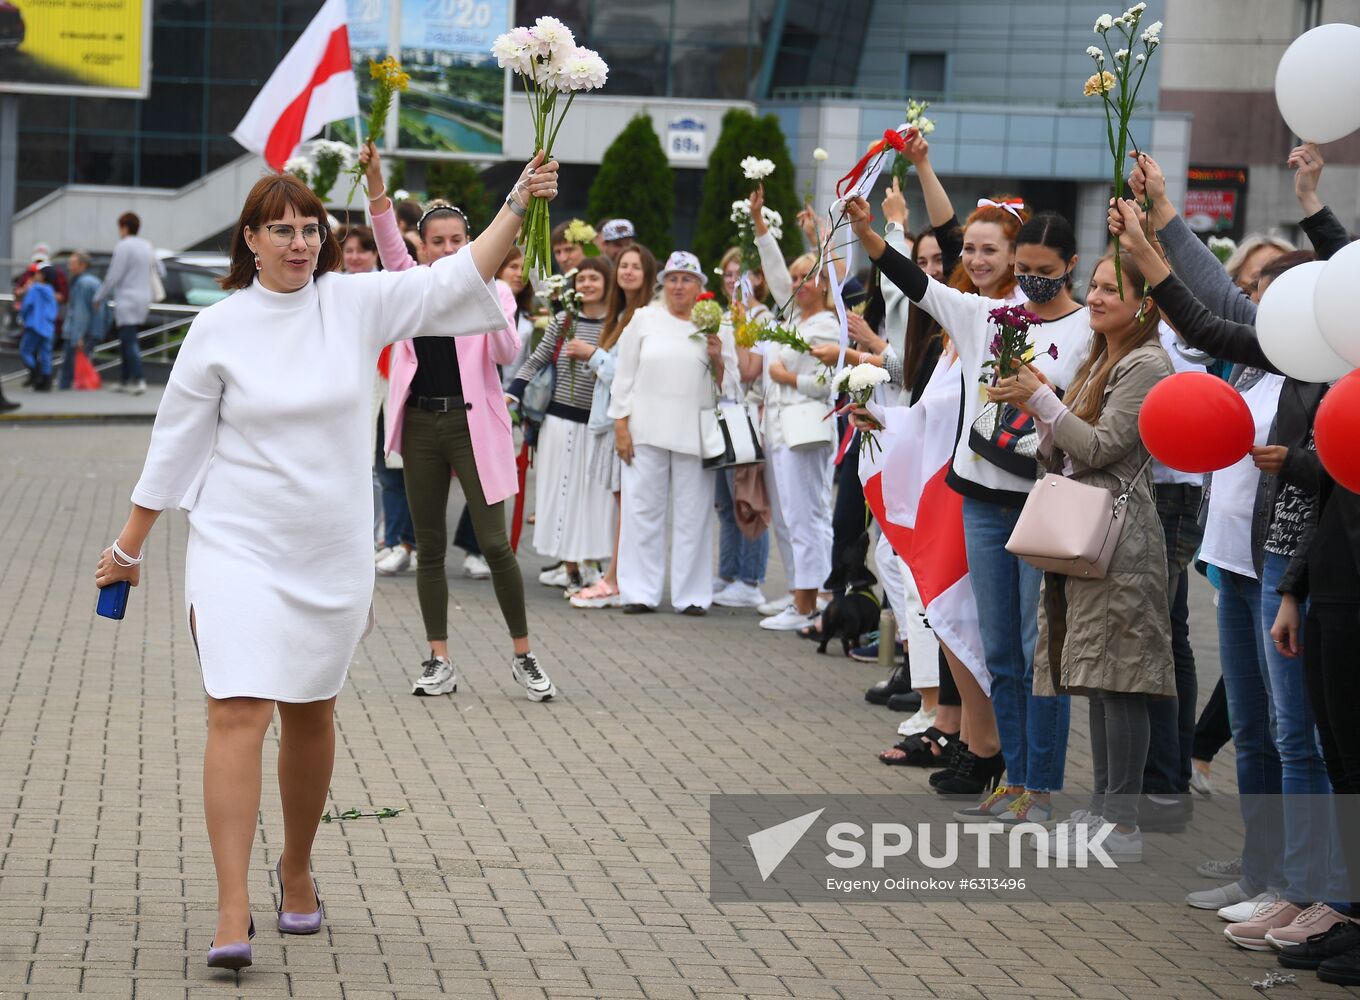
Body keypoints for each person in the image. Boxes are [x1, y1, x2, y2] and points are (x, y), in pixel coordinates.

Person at [93, 155, 559, 971]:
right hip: (237, 546)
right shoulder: (219, 326)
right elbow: (175, 447)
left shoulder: (355, 303)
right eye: (283, 229)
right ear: (251, 239)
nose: (302, 242)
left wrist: (520, 199)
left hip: (329, 551)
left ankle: (297, 867)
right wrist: (130, 548)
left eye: (312, 228)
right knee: (238, 711)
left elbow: (460, 278)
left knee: (310, 714)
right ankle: (231, 908)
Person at [847, 195, 1094, 822]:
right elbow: (914, 282)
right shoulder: (986, 317)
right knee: (1002, 652)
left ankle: (1042, 786)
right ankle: (1012, 780)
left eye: (1046, 267)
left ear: (1069, 265)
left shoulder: (1088, 328)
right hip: (981, 502)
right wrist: (870, 237)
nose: (1035, 278)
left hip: (1045, 502)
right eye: (1027, 266)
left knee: (1042, 654)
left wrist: (1042, 393)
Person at [992, 250, 1175, 862]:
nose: (1094, 298)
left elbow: (1101, 448)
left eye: (1108, 290)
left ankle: (1122, 824)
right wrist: (1043, 416)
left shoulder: (1148, 363)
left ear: (1145, 304)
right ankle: (1101, 810)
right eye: (1093, 286)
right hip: (1087, 527)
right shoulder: (1103, 354)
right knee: (1095, 675)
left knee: (1121, 677)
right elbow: (1067, 448)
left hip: (1120, 535)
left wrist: (1045, 405)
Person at [359, 145, 552, 702]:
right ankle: (437, 658)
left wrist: (488, 295)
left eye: (456, 241)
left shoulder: (492, 289)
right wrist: (376, 181)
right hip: (421, 424)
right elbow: (385, 238)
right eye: (436, 242)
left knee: (496, 545)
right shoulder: (410, 282)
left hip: (474, 428)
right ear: (422, 247)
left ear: (469, 243)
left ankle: (524, 654)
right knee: (429, 546)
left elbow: (506, 349)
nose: (447, 250)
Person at [608, 251, 739, 614]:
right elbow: (624, 375)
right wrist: (621, 423)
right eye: (673, 279)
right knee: (641, 511)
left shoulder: (717, 325)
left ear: (700, 286)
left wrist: (717, 357)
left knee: (693, 515)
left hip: (694, 432)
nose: (679, 286)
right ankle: (638, 592)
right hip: (644, 429)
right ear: (663, 284)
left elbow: (731, 389)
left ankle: (692, 595)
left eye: (687, 279)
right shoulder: (644, 318)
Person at [748, 186, 841, 632]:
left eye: (810, 277)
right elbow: (776, 274)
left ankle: (811, 600)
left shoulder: (827, 324)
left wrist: (792, 379)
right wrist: (759, 224)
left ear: (825, 284)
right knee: (792, 515)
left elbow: (829, 383)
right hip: (782, 426)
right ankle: (805, 594)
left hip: (807, 423)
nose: (800, 284)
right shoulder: (790, 320)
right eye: (797, 277)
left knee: (808, 514)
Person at [507, 257, 618, 593]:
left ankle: (592, 564)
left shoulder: (617, 323)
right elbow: (537, 358)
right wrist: (513, 393)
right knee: (564, 492)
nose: (586, 284)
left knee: (593, 496)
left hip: (597, 424)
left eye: (594, 279)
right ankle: (570, 568)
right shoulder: (563, 319)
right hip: (559, 420)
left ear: (607, 283)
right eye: (581, 279)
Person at [572, 245, 658, 609]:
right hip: (611, 419)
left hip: (627, 422)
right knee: (622, 502)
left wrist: (592, 355)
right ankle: (616, 574)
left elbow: (628, 375)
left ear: (647, 273)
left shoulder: (647, 315)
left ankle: (616, 577)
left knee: (628, 504)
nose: (627, 272)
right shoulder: (621, 313)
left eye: (635, 267)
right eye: (622, 265)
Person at [711, 246, 772, 609]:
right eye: (729, 275)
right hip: (720, 413)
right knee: (724, 501)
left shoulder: (761, 317)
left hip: (748, 415)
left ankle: (752, 579)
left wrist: (738, 326)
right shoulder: (722, 316)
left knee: (748, 499)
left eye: (742, 274)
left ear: (759, 279)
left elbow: (750, 371)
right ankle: (727, 572)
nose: (735, 281)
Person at [95, 211, 159, 395]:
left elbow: (113, 275)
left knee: (129, 339)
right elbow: (159, 269)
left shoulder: (123, 246)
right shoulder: (147, 245)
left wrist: (98, 297)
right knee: (125, 339)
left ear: (124, 227)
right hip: (143, 298)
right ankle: (124, 380)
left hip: (127, 298)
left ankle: (139, 379)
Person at [59, 252, 106, 390]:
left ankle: (65, 388)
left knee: (69, 364)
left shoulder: (82, 283)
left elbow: (80, 312)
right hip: (92, 329)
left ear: (83, 265)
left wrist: (78, 335)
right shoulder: (93, 281)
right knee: (79, 362)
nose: (69, 267)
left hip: (79, 331)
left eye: (73, 264)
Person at [19, 265, 59, 391]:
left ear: (42, 276)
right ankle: (46, 381)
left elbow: (26, 306)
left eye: (38, 273)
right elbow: (54, 309)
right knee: (46, 354)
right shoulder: (51, 291)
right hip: (48, 326)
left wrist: (24, 319)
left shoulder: (34, 289)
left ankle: (35, 374)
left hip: (34, 324)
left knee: (25, 351)